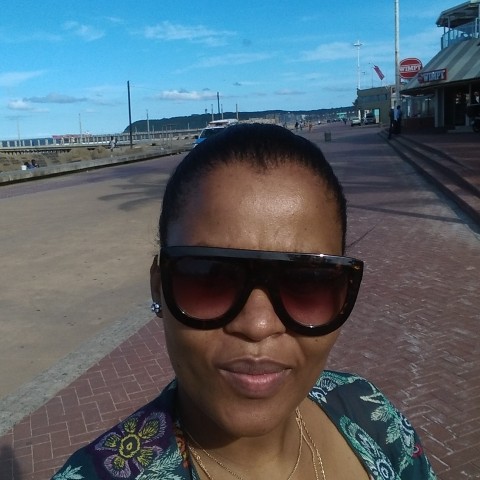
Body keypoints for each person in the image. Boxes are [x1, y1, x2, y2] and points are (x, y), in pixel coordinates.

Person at [53, 124, 436, 479]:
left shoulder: (371, 412)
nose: (258, 325)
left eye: (307, 282)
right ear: (159, 288)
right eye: (210, 278)